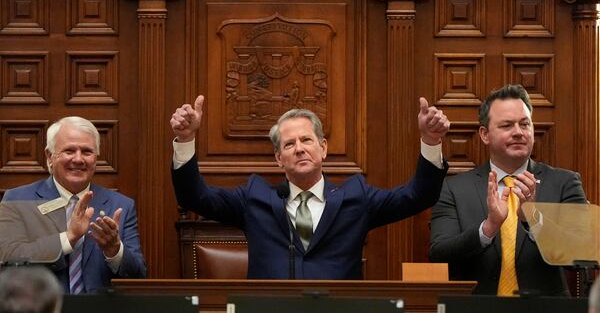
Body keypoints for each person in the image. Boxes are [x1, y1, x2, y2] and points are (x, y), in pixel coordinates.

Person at [171, 95, 450, 279]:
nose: (300, 149)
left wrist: (430, 141)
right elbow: (195, 196)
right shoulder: (255, 198)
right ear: (279, 158)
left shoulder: (356, 197)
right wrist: (186, 138)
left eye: (306, 140)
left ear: (323, 148)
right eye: (289, 144)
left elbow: (418, 196)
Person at [429, 84, 587, 296]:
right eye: (506, 126)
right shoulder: (454, 188)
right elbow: (439, 255)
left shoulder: (565, 182)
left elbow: (581, 253)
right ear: (485, 134)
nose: (518, 132)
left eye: (525, 124)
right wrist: (488, 228)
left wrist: (533, 219)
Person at [0, 116, 146, 294]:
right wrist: (68, 239)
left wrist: (115, 251)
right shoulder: (18, 199)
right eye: (69, 151)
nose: (78, 159)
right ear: (50, 156)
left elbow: (139, 276)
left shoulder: (120, 205)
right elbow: (8, 260)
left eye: (87, 152)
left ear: (96, 158)